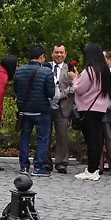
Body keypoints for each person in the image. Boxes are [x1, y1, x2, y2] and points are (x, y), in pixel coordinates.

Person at [12, 46, 55, 176]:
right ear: (41, 57)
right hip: (42, 111)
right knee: (42, 138)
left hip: (25, 111)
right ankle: (38, 167)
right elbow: (51, 92)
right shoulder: (47, 72)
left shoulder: (19, 71)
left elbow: (16, 89)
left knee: (25, 137)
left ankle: (24, 166)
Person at [73, 43, 111, 181]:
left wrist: (74, 78)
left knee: (92, 142)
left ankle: (91, 170)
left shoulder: (89, 71)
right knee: (97, 140)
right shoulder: (104, 70)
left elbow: (79, 88)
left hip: (88, 108)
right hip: (100, 108)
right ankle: (94, 168)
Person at [44, 44, 74, 174]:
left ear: (65, 54)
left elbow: (75, 86)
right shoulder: (45, 67)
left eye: (61, 52)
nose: (59, 55)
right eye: (56, 52)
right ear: (52, 53)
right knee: (45, 135)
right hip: (46, 105)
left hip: (63, 106)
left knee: (62, 135)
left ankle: (61, 163)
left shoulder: (70, 68)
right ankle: (45, 162)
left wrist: (60, 95)